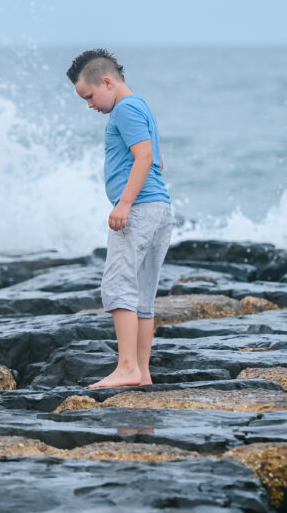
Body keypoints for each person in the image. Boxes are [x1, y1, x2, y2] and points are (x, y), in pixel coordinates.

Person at [67, 49, 173, 388]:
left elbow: (143, 157)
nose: (89, 105)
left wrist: (124, 204)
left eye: (89, 95)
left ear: (107, 81)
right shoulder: (141, 106)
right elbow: (157, 160)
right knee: (143, 294)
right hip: (160, 209)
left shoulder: (125, 110)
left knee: (117, 287)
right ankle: (141, 372)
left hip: (140, 210)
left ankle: (127, 367)